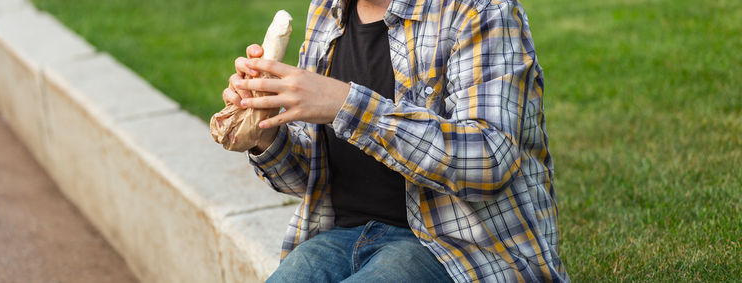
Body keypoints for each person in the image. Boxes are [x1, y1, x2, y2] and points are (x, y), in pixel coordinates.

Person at [222, 0, 568, 281]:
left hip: (454, 248)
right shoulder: (327, 10)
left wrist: (346, 104)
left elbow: (491, 160)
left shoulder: (480, 9)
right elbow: (311, 177)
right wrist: (266, 135)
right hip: (340, 235)